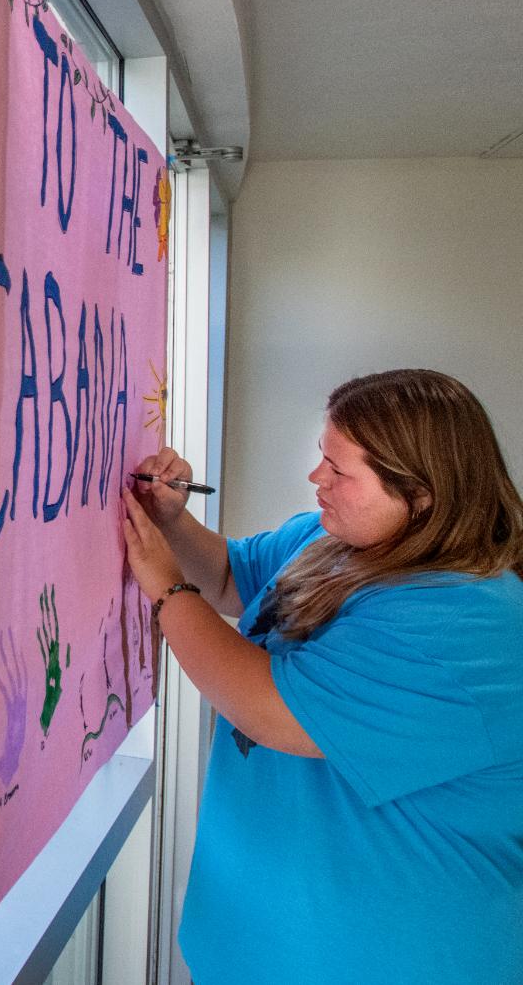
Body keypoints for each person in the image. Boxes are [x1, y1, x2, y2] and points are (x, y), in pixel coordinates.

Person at [119, 368, 523, 985]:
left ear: (421, 496)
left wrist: (167, 589)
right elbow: (231, 576)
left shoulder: (467, 621)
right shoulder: (341, 539)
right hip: (253, 944)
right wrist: (172, 522)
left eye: (339, 471)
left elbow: (270, 709)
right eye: (321, 459)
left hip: (389, 960)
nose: (317, 480)